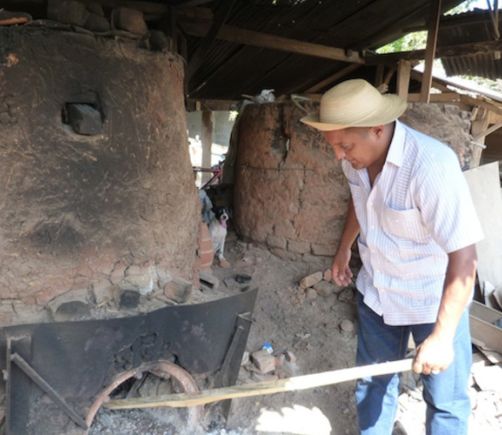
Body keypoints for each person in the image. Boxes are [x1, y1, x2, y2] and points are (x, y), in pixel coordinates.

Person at [301, 79, 483, 434]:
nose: (338, 155)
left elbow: (465, 257)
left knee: (446, 402)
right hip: (378, 294)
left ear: (378, 130)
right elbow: (362, 201)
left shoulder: (430, 167)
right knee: (372, 386)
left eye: (344, 145)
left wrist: (442, 337)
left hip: (432, 301)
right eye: (333, 145)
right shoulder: (355, 161)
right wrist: (344, 248)